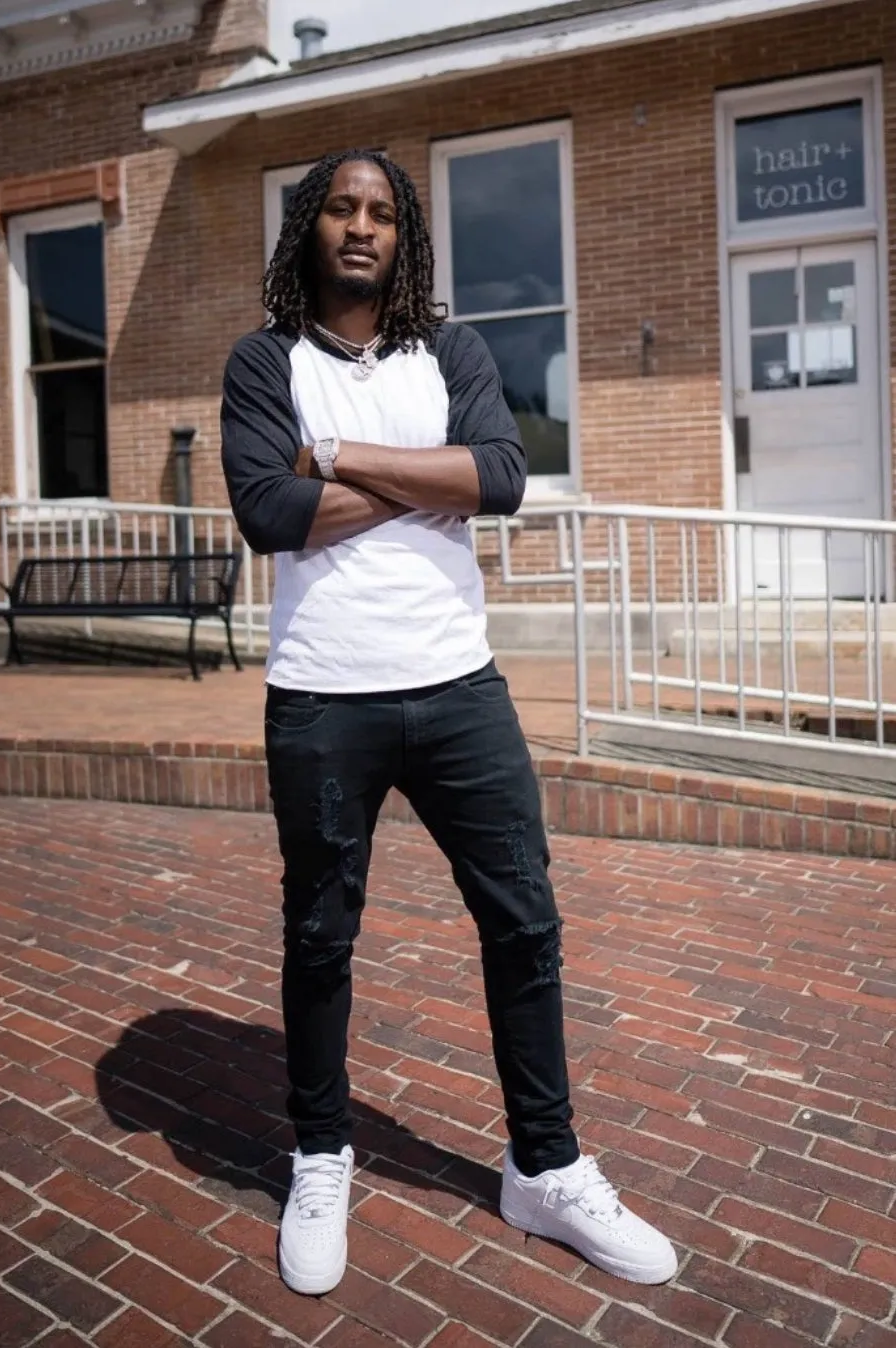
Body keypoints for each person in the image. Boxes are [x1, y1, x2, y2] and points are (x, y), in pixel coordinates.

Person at [220, 148, 678, 1296]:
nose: (361, 227)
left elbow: (504, 476)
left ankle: (545, 1166)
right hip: (323, 694)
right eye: (340, 208)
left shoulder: (453, 352)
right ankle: (320, 1152)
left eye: (380, 211)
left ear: (403, 234)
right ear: (309, 229)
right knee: (320, 937)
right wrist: (432, 476)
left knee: (522, 921)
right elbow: (267, 513)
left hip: (459, 689)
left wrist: (337, 456)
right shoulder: (261, 362)